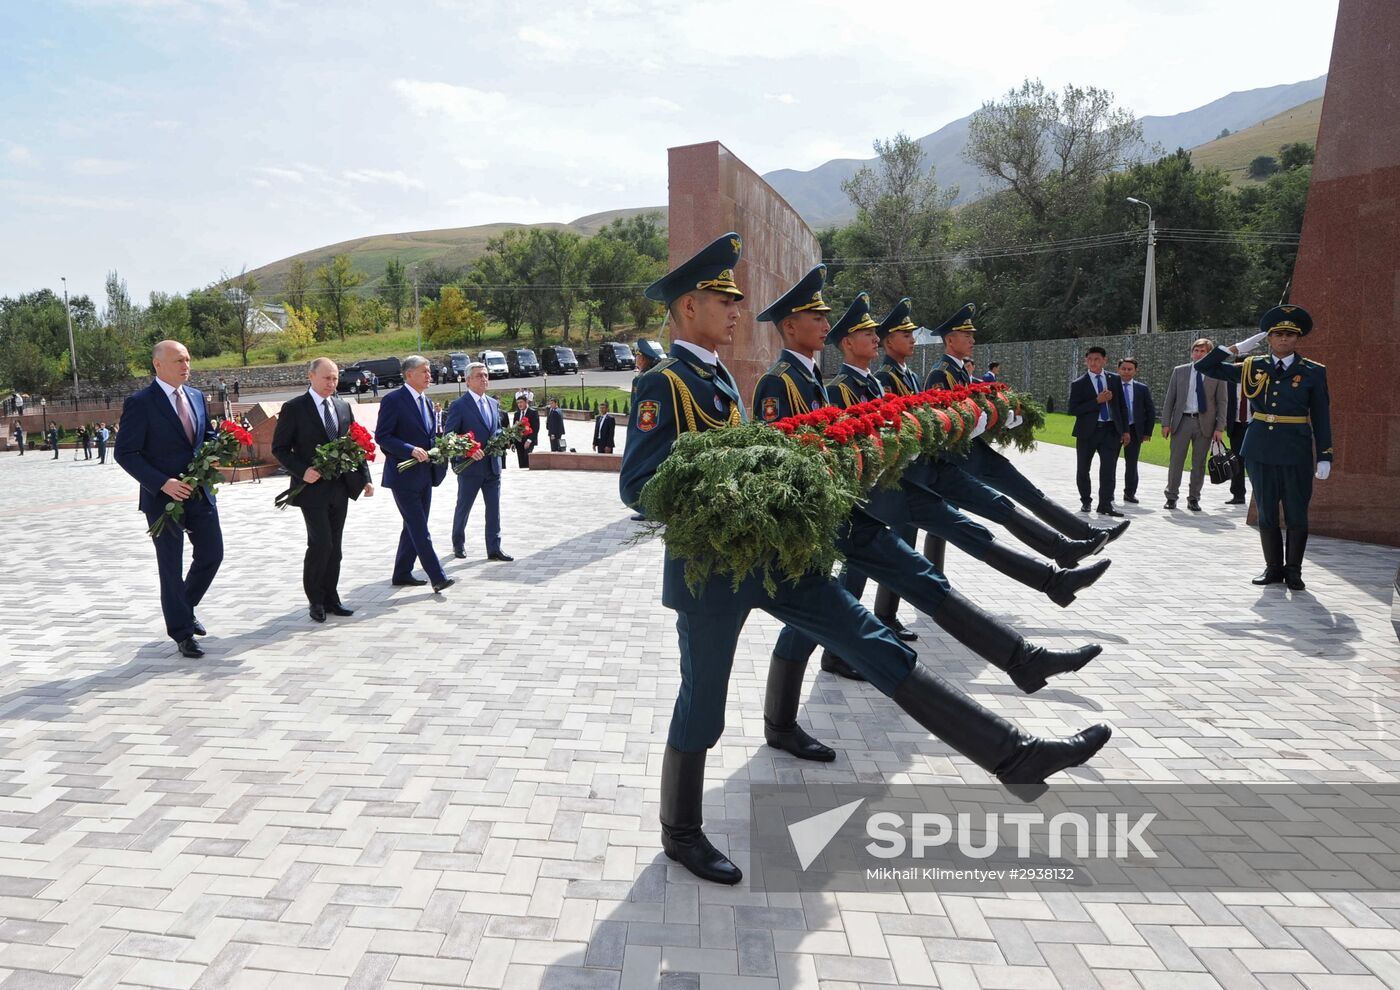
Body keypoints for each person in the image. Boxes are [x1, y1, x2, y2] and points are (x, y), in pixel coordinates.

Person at [620, 235, 1111, 885]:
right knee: (702, 705)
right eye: (723, 299)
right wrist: (721, 476)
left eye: (737, 300)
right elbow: (638, 484)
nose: (737, 310)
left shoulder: (717, 375)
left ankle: (1013, 756)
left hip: (775, 552)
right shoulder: (665, 383)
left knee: (873, 639)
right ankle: (681, 832)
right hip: (711, 572)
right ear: (688, 308)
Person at [934, 305, 1130, 542]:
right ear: (950, 340)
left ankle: (1083, 537)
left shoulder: (961, 372)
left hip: (974, 453)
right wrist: (986, 420)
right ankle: (1075, 542)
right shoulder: (941, 374)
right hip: (958, 459)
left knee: (1023, 493)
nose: (973, 340)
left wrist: (1003, 416)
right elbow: (946, 423)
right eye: (967, 336)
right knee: (952, 520)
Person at [1197, 304, 1332, 590]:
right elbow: (1204, 366)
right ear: (1268, 338)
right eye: (1277, 334)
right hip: (1260, 449)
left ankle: (1293, 570)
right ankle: (1273, 568)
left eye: (1289, 335)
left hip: (1295, 450)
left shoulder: (1312, 372)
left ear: (1297, 339)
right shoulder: (1252, 366)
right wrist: (1236, 347)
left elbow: (1321, 416)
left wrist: (1324, 455)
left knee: (1296, 511)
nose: (1284, 339)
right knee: (1267, 510)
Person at [114, 340, 224, 659]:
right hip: (163, 500)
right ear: (158, 364)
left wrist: (216, 451)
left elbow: (206, 437)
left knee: (212, 554)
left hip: (200, 493)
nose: (185, 365)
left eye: (188, 359)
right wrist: (163, 483)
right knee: (170, 566)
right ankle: (182, 632)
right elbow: (125, 452)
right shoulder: (140, 403)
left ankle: (183, 608)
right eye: (178, 360)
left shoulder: (197, 396)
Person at [271, 358, 375, 623]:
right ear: (311, 377)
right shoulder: (294, 408)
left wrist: (365, 478)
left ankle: (332, 598)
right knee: (320, 544)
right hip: (312, 489)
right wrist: (302, 470)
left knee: (336, 547)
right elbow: (280, 449)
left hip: (340, 488)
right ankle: (315, 600)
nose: (332, 383)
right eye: (327, 378)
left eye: (335, 378)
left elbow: (355, 445)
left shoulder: (343, 406)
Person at [375, 355, 453, 593]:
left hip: (424, 476)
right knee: (419, 527)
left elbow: (430, 437)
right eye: (424, 371)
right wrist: (409, 450)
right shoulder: (393, 400)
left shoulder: (428, 402)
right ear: (409, 374)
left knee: (414, 525)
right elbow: (383, 437)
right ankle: (437, 576)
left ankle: (401, 573)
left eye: (430, 371)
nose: (430, 375)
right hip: (402, 476)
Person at [444, 363, 512, 562]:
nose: (484, 379)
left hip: (492, 467)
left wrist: (501, 438)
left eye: (486, 375)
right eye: (479, 376)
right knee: (463, 507)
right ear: (468, 380)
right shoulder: (459, 405)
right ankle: (458, 543)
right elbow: (449, 436)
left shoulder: (493, 403)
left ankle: (494, 548)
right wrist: (468, 450)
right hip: (470, 467)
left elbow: (497, 429)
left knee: (494, 509)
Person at [1160, 338, 1228, 512]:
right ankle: (1171, 496)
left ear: (1209, 354)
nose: (1198, 354)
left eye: (1202, 351)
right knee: (1176, 461)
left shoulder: (1217, 373)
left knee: (1199, 463)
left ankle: (1194, 498)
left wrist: (1220, 427)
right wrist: (1165, 423)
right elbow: (1170, 399)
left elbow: (1222, 402)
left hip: (1204, 423)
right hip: (1182, 421)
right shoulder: (1180, 371)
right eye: (1195, 351)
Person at [1069, 346, 1131, 517]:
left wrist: (1125, 430)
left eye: (1097, 359)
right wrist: (1097, 400)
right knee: (1083, 469)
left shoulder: (1114, 379)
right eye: (1089, 359)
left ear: (1105, 360)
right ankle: (1086, 501)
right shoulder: (1079, 383)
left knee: (1108, 470)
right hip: (1088, 432)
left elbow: (1122, 407)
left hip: (1110, 430)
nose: (1093, 362)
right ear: (1085, 361)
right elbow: (1073, 409)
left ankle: (1105, 504)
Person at [1116, 358, 1157, 504]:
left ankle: (1130, 493)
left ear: (1135, 371)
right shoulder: (1112, 387)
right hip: (1115, 429)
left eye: (1129, 369)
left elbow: (1150, 411)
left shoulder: (1142, 388)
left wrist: (1147, 432)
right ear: (1118, 369)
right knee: (1110, 462)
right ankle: (1108, 493)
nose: (1126, 372)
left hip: (1134, 429)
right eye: (1124, 369)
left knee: (1132, 463)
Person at [1224, 358, 1250, 505]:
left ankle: (1259, 495)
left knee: (1255, 461)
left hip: (1254, 425)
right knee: (1237, 461)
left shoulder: (1257, 381)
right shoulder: (1230, 382)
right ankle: (1238, 495)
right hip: (1237, 425)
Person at [511, 392, 539, 468]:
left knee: (527, 461)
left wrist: (529, 440)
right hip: (519, 441)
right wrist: (513, 442)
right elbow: (514, 429)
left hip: (529, 441)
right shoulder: (516, 414)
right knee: (521, 462)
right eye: (518, 403)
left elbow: (536, 428)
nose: (519, 404)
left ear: (526, 402)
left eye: (521, 402)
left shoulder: (533, 412)